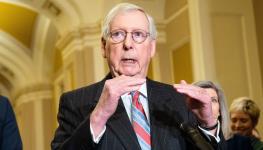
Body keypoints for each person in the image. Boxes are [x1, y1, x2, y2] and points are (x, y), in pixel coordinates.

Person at [51, 3, 225, 150]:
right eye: (118, 34)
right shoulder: (75, 103)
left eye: (138, 35)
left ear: (152, 48)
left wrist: (209, 125)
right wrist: (99, 116)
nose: (128, 44)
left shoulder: (179, 101)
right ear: (104, 47)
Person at [193, 81, 253, 150]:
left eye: (213, 100)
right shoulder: (182, 142)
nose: (207, 104)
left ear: (220, 110)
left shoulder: (241, 143)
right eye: (201, 100)